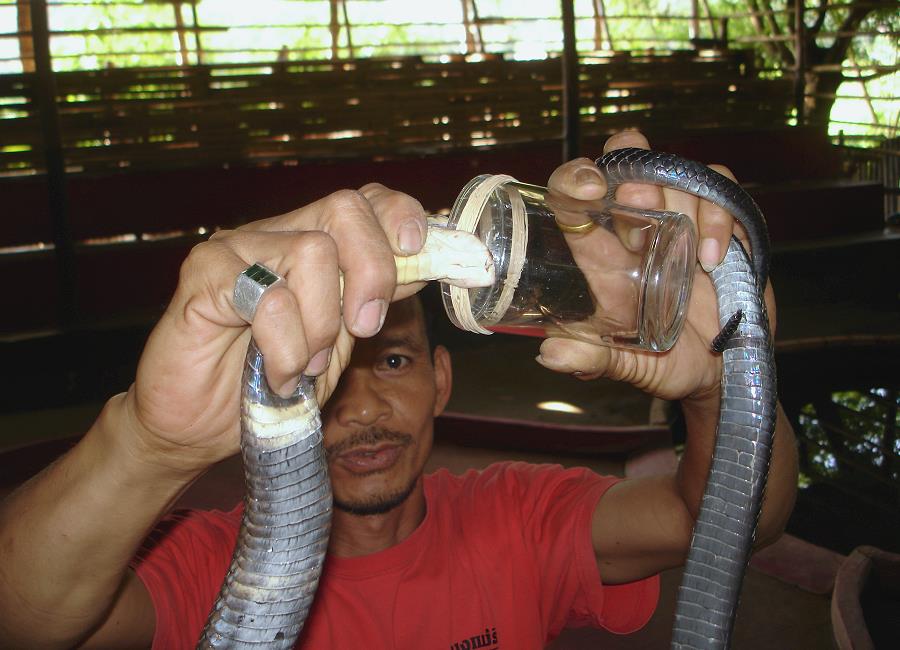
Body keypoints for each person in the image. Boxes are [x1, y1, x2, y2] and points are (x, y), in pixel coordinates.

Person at [0, 131, 798, 649]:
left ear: (442, 381)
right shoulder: (201, 561)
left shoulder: (517, 520)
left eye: (390, 363)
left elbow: (726, 524)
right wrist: (148, 445)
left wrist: (728, 384)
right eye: (326, 372)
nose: (357, 410)